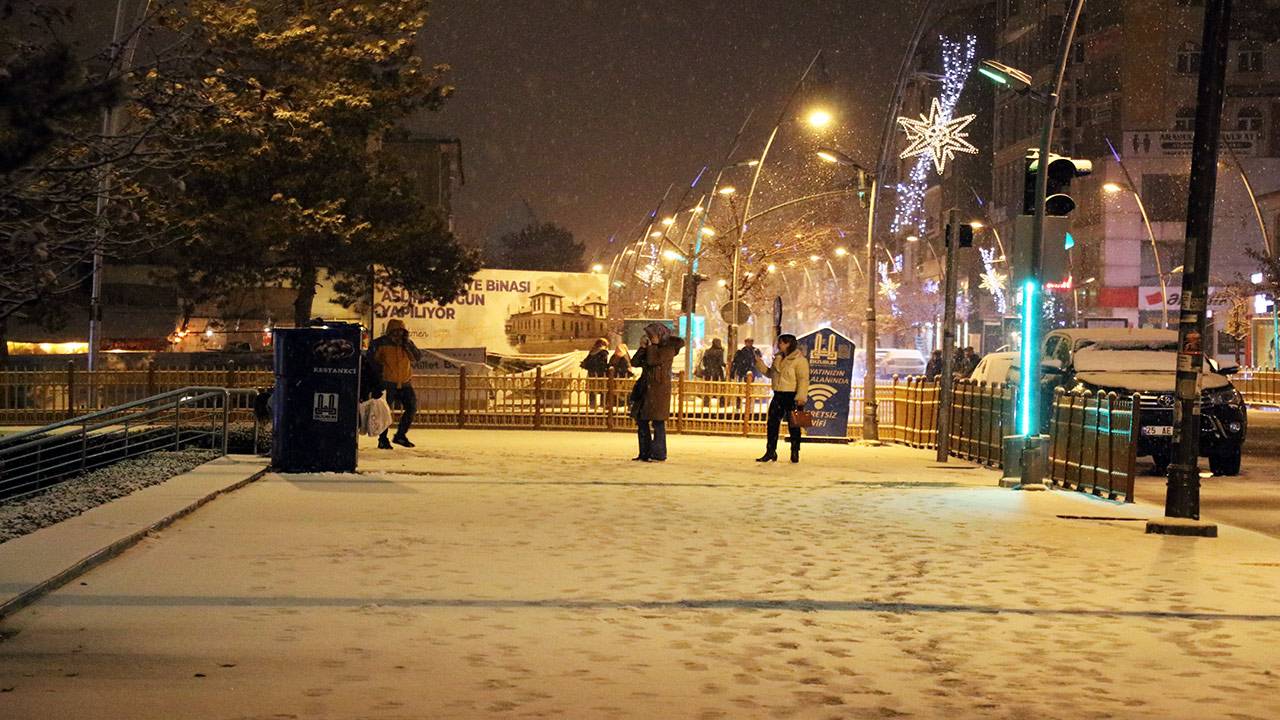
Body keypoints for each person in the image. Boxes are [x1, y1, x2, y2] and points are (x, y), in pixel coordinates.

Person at [629, 323, 684, 462]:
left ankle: (659, 453)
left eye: (651, 335)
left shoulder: (668, 349)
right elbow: (635, 362)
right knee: (641, 421)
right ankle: (644, 453)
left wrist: (652, 345)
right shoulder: (650, 348)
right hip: (645, 390)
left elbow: (653, 361)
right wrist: (642, 348)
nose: (649, 337)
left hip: (658, 391)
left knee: (658, 423)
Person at [755, 333, 810, 463]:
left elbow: (803, 380)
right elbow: (771, 374)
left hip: (793, 396)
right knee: (772, 424)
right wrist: (760, 364)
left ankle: (795, 451)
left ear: (788, 344)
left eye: (781, 343)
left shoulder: (800, 360)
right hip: (778, 394)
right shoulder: (778, 358)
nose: (779, 345)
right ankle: (770, 451)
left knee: (794, 426)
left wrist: (801, 397)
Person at [367, 318, 421, 449]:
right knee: (384, 412)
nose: (399, 335)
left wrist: (407, 345)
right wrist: (378, 377)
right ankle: (383, 439)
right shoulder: (380, 343)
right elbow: (371, 361)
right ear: (390, 331)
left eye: (401, 332)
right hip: (387, 383)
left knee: (412, 407)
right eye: (396, 332)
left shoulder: (406, 343)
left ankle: (400, 435)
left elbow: (417, 357)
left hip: (405, 382)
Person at [580, 337, 610, 408]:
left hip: (592, 373)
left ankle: (592, 404)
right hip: (601, 374)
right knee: (603, 390)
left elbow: (586, 361)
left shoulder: (592, 351)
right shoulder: (604, 352)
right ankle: (603, 404)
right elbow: (603, 363)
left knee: (592, 389)